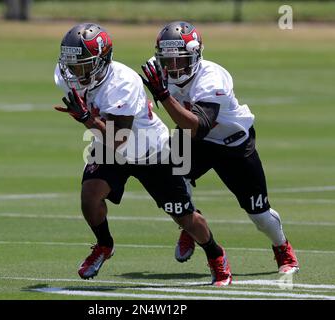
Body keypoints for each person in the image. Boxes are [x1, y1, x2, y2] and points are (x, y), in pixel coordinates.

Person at [53, 22, 232, 286]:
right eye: (72, 65)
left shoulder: (123, 83)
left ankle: (216, 255)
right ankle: (104, 245)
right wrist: (89, 119)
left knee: (183, 216)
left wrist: (87, 120)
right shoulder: (66, 74)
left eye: (83, 65)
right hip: (110, 145)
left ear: (102, 61)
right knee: (89, 198)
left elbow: (120, 138)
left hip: (151, 150)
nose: (74, 72)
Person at [140, 21, 299, 275]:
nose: (172, 67)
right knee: (169, 182)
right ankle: (191, 224)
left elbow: (199, 126)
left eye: (180, 60)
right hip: (192, 140)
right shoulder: (159, 70)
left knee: (259, 213)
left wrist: (163, 95)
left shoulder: (213, 77)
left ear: (196, 55)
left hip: (232, 144)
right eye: (167, 60)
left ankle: (282, 248)